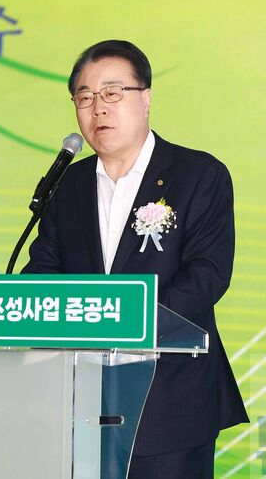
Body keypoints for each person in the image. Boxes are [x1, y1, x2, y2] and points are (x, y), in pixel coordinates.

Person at [23, 40, 248, 478]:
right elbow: (43, 273)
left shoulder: (198, 174)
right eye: (85, 97)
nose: (98, 108)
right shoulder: (68, 186)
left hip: (171, 402)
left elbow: (207, 274)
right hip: (81, 402)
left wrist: (127, 323)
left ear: (145, 98)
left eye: (112, 92)